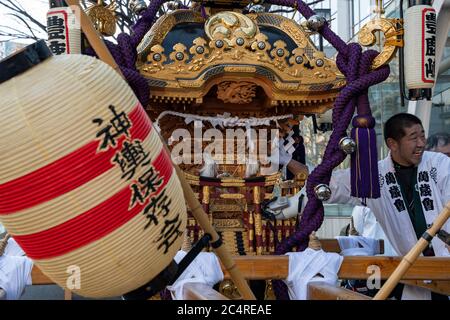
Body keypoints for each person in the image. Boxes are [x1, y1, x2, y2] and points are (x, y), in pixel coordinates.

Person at [283, 113, 450, 299]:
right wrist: (287, 169)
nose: (421, 143)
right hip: (413, 273)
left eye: (422, 136)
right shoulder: (373, 177)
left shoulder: (440, 164)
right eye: (413, 138)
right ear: (392, 144)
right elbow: (326, 183)